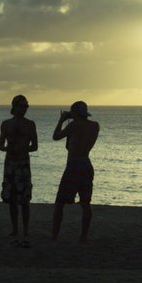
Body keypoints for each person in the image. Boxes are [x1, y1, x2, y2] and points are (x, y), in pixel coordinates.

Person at [51, 101, 100, 242]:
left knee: (60, 202)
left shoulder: (74, 125)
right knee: (85, 202)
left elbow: (56, 136)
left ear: (74, 113)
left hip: (73, 165)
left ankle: (54, 235)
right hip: (86, 163)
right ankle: (83, 236)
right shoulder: (95, 126)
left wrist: (62, 119)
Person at [0, 95, 38, 239]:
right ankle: (15, 229)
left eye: (26, 106)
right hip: (10, 163)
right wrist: (8, 149)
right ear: (14, 107)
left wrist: (22, 149)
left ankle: (26, 230)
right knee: (11, 199)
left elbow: (34, 146)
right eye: (22, 106)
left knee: (25, 199)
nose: (24, 109)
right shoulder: (6, 124)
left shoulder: (30, 124)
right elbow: (1, 145)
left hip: (23, 164)